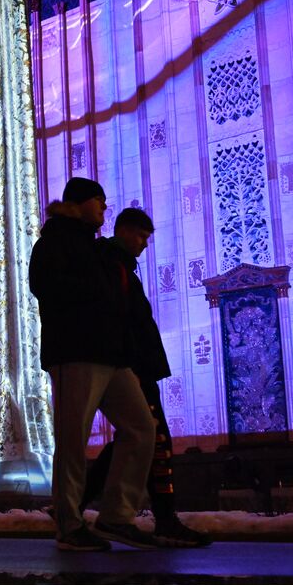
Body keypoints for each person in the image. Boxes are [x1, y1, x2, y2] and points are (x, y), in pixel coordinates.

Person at [29, 177, 158, 551]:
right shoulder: (54, 241)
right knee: (73, 441)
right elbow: (45, 286)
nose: (105, 207)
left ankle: (116, 516)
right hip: (75, 352)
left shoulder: (96, 247)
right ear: (82, 203)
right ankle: (69, 525)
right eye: (100, 201)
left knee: (140, 428)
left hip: (111, 356)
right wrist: (96, 292)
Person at [87, 208, 213, 547]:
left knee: (137, 438)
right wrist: (135, 362)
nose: (144, 245)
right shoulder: (111, 265)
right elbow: (123, 320)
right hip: (132, 367)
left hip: (135, 365)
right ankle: (162, 519)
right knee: (154, 440)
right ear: (124, 231)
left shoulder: (122, 266)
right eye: (140, 236)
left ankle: (81, 502)